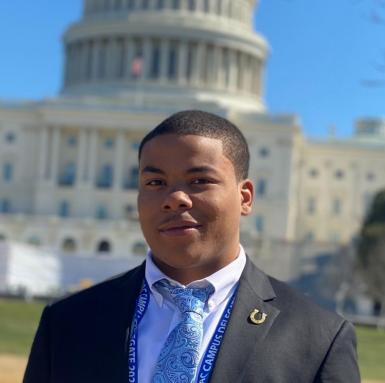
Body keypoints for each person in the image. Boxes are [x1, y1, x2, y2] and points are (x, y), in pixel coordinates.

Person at [24, 110, 360, 383]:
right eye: (155, 182)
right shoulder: (68, 324)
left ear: (245, 197)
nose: (174, 199)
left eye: (200, 181)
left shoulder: (318, 339)